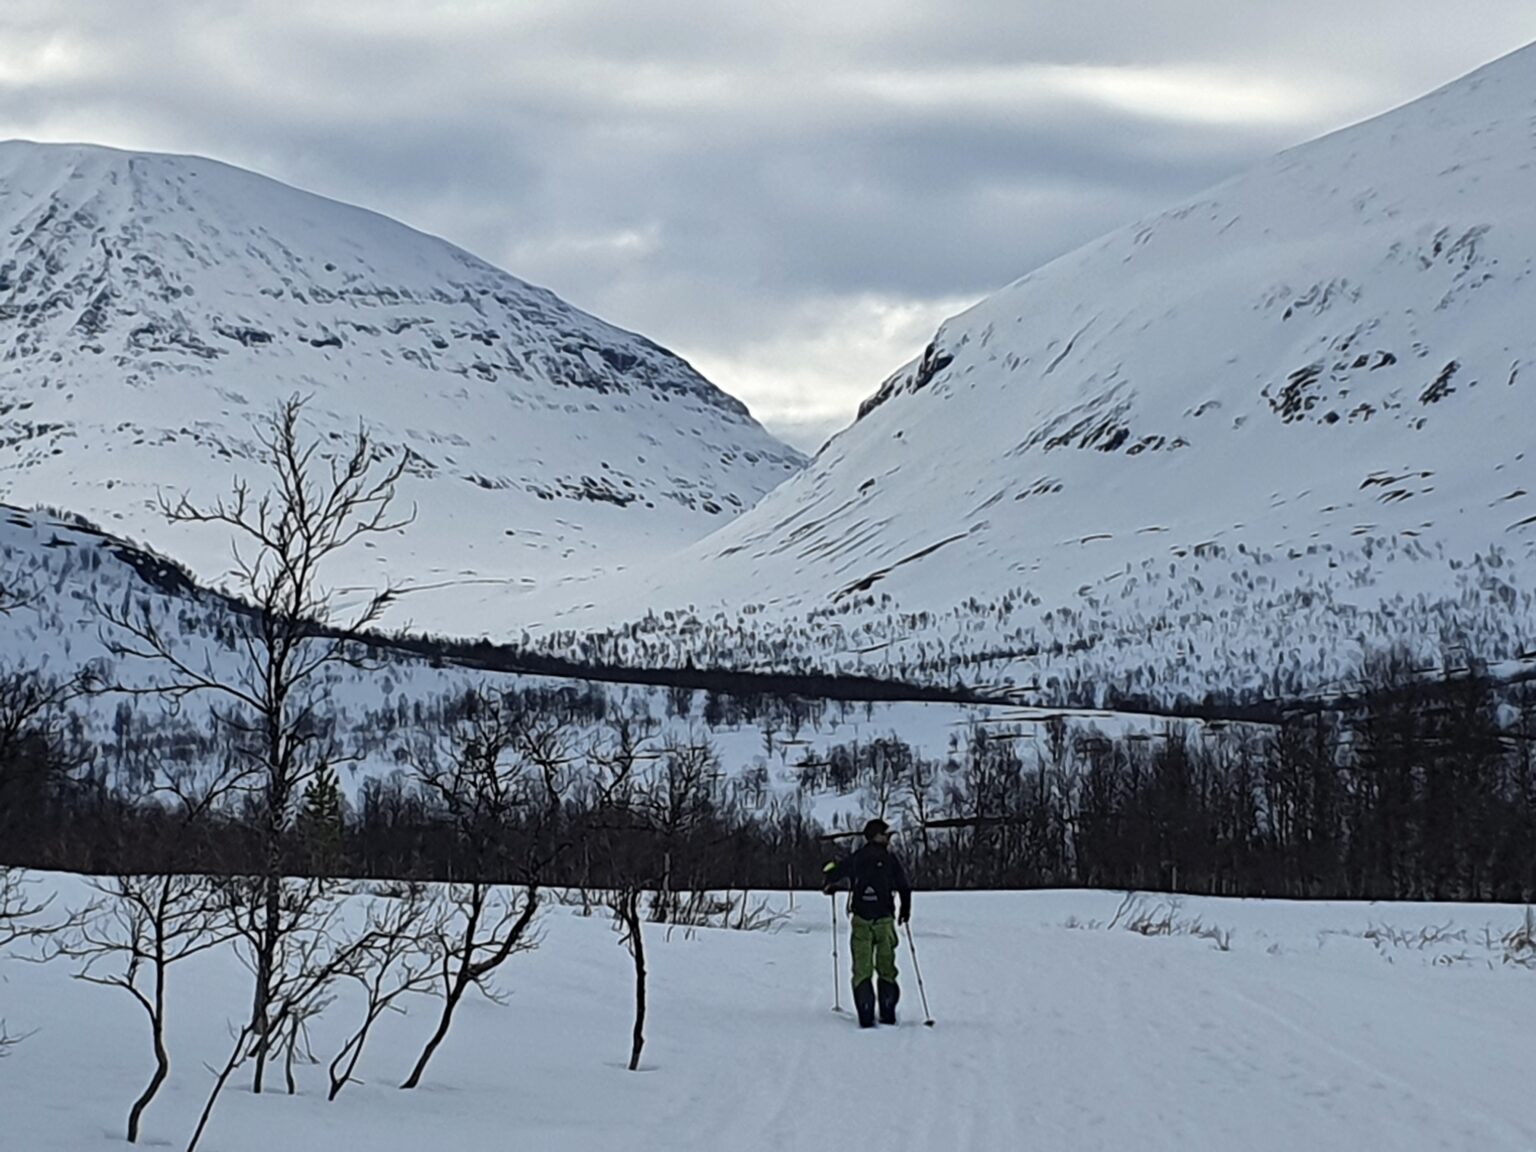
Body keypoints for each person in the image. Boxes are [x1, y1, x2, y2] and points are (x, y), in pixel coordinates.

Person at [822, 818, 911, 1027]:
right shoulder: (890, 859)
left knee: (862, 969)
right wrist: (905, 910)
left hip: (861, 920)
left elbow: (833, 873)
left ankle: (866, 1013)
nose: (888, 838)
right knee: (886, 966)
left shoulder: (858, 858)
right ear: (877, 836)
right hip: (885, 921)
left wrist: (829, 876)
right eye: (886, 834)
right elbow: (904, 886)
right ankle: (887, 1012)